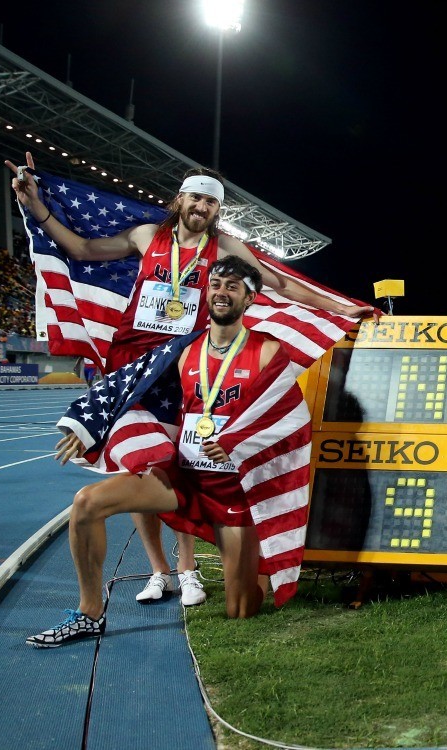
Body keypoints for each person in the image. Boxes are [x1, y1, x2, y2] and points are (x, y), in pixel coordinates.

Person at [6, 151, 372, 607]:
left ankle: (187, 568)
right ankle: (159, 570)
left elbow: (277, 283)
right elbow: (82, 250)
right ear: (180, 200)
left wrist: (339, 308)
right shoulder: (145, 235)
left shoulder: (225, 248)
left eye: (211, 202)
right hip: (133, 366)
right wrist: (36, 206)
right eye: (196, 198)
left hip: (184, 367)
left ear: (217, 210)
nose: (202, 207)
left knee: (178, 465)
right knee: (137, 467)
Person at [28, 256, 291, 647]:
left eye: (233, 286)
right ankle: (89, 614)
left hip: (232, 489)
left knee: (242, 607)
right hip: (183, 477)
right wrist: (86, 424)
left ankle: (259, 565)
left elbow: (286, 417)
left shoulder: (268, 352)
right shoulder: (184, 349)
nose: (221, 292)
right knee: (86, 503)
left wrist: (236, 442)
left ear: (250, 298)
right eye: (216, 285)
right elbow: (127, 379)